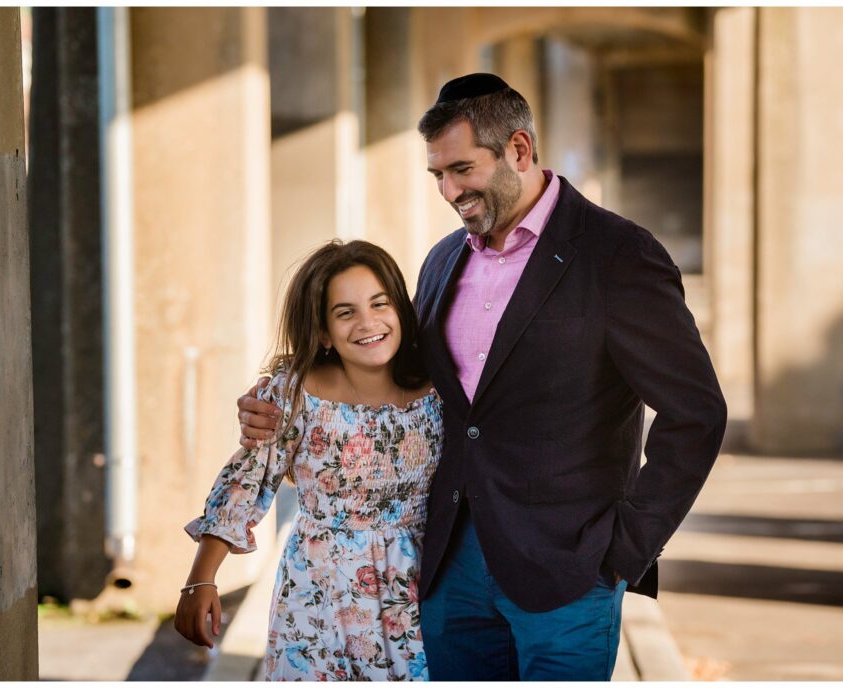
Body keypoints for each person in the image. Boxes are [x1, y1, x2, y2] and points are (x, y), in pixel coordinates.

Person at [238, 73, 727, 680]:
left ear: (518, 150)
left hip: (568, 569)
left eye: (461, 169)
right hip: (446, 565)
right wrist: (286, 391)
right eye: (438, 175)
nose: (448, 190)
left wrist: (626, 547)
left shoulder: (618, 255)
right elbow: (397, 370)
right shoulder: (444, 258)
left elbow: (696, 413)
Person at [175, 240, 441, 681]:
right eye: (345, 312)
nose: (368, 322)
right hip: (319, 596)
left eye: (380, 303)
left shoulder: (438, 391)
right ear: (322, 332)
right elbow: (246, 482)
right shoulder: (295, 395)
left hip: (416, 590)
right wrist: (201, 578)